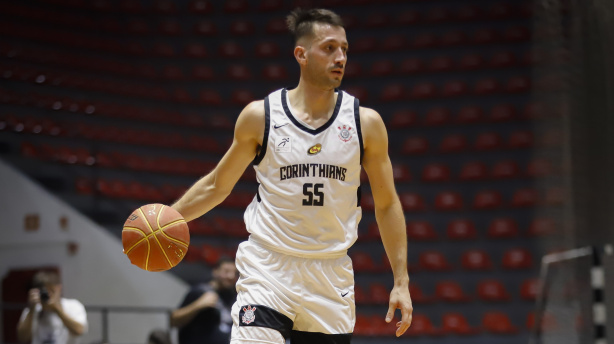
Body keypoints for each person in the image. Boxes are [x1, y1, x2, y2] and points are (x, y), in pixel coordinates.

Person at [171, 8, 412, 344]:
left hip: (330, 272)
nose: (340, 56)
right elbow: (216, 185)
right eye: (329, 48)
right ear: (301, 54)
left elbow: (387, 205)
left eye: (344, 49)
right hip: (268, 265)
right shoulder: (261, 116)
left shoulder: (365, 123)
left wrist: (401, 280)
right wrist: (169, 218)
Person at [170, 257, 238, 344]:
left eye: (235, 273)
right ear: (215, 271)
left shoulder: (234, 297)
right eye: (226, 271)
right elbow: (173, 320)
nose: (231, 276)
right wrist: (199, 305)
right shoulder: (199, 291)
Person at [17, 270, 88, 344]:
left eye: (51, 291)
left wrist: (58, 310)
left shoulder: (73, 306)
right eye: (44, 293)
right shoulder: (32, 309)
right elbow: (22, 338)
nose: (48, 296)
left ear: (59, 288)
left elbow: (79, 330)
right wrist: (31, 310)